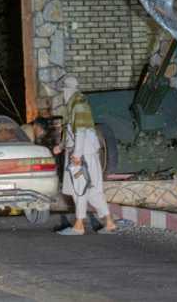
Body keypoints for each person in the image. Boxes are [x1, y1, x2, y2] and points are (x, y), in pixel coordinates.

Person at [52, 75, 117, 234]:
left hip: (81, 154)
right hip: (85, 152)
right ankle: (109, 222)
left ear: (67, 90)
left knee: (78, 189)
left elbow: (80, 130)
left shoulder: (78, 104)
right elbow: (71, 131)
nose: (62, 95)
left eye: (63, 91)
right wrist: (61, 146)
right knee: (93, 189)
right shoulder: (76, 104)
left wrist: (77, 154)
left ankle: (79, 225)